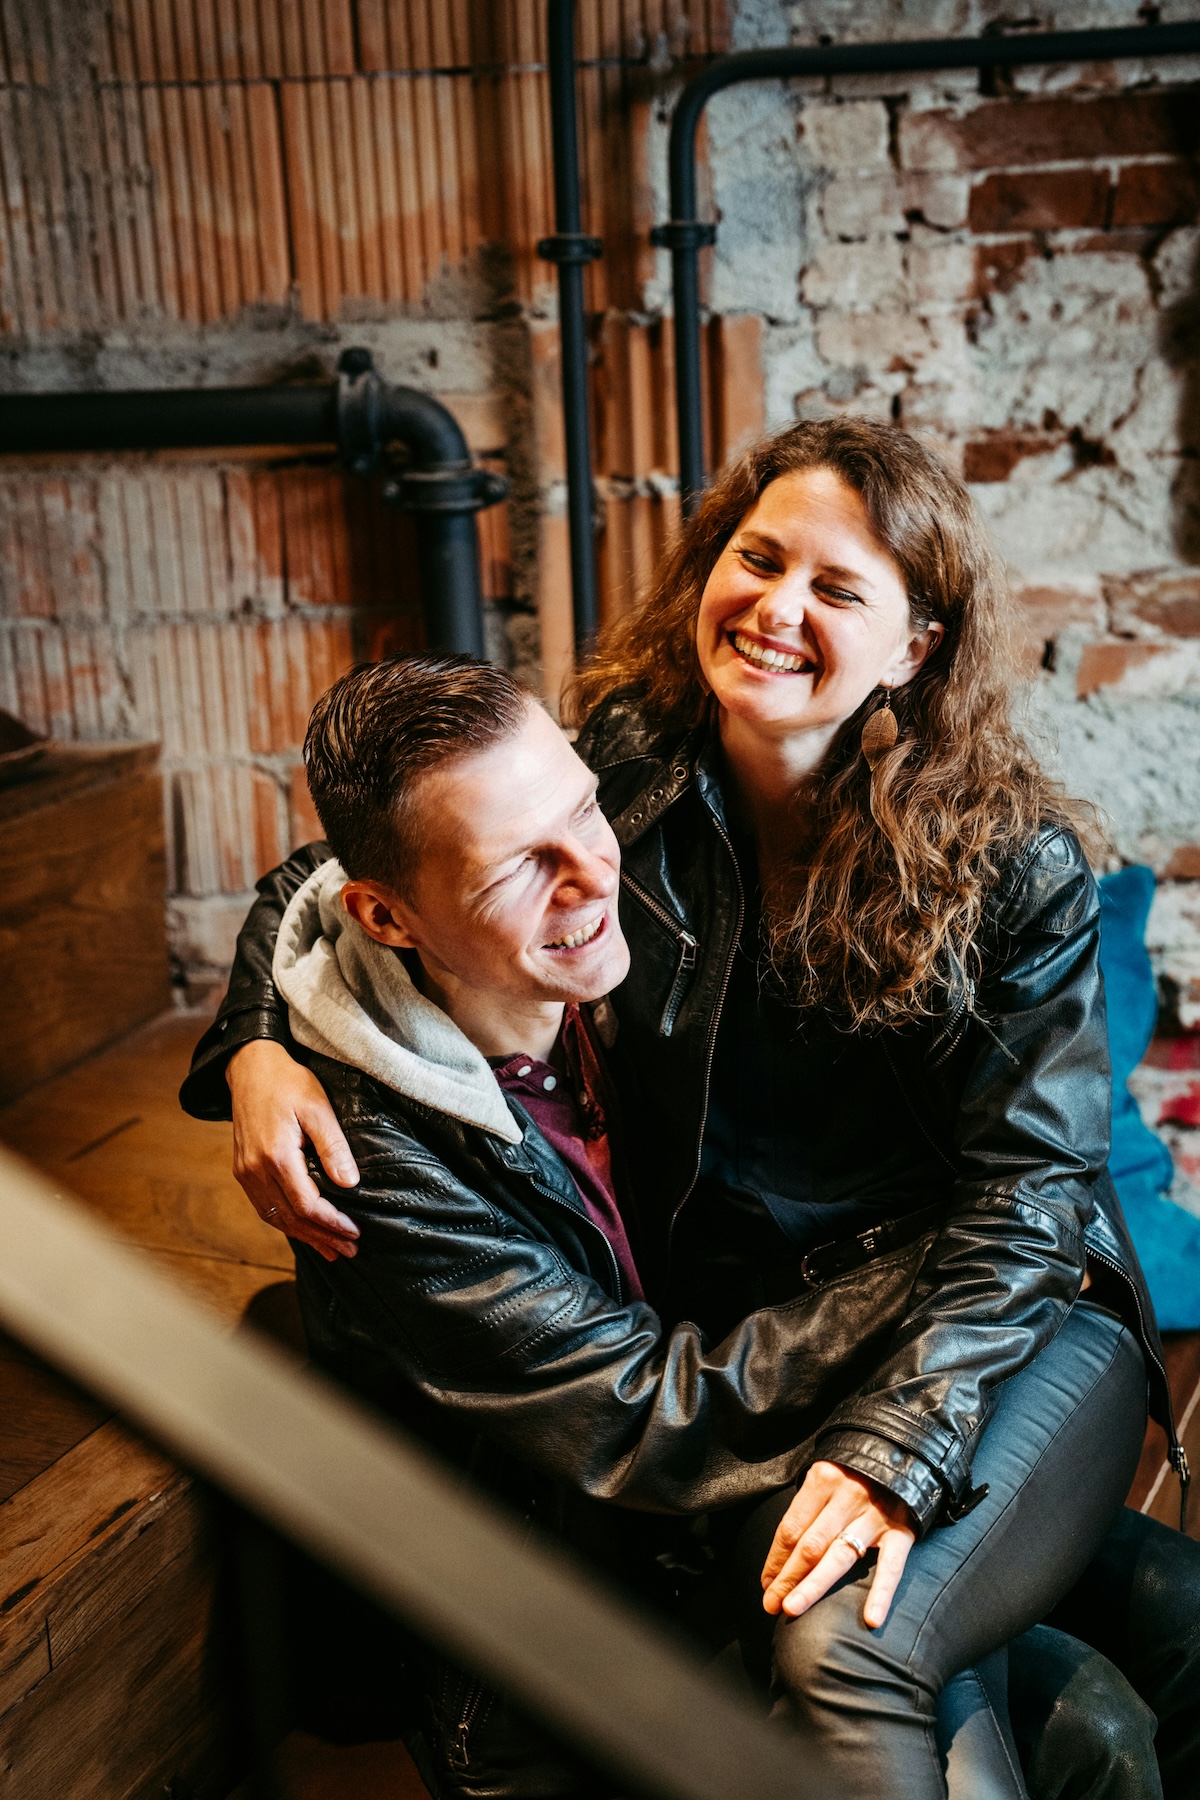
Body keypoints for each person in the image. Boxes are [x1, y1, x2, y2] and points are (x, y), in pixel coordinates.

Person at [183, 421, 1200, 1798]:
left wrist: (902, 1436)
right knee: (1049, 1693)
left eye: (837, 588)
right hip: (765, 1360)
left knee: (1047, 1641)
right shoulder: (631, 771)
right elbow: (353, 863)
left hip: (1000, 1321)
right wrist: (256, 1041)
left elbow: (1028, 1205)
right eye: (759, 557)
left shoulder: (1009, 866)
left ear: (915, 647)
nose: (778, 606)